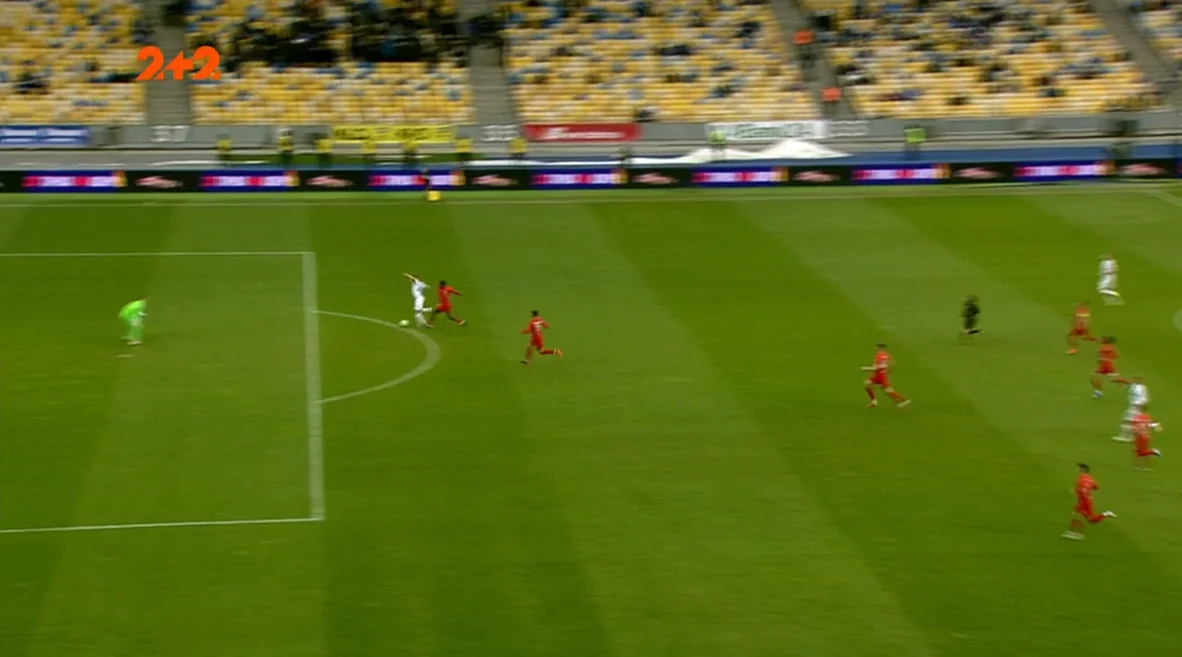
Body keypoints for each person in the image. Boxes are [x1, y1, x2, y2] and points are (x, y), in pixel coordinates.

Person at [1063, 463, 1116, 540]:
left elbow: (1082, 489)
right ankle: (1072, 532)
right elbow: (1096, 487)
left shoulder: (1081, 479)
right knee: (1076, 515)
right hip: (1085, 500)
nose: (1077, 469)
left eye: (1079, 468)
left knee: (1090, 519)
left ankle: (1106, 514)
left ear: (1083, 470)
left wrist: (1077, 491)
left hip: (1085, 501)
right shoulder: (1090, 478)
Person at [862, 343, 910, 408]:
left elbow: (877, 367)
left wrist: (866, 368)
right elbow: (892, 363)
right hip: (880, 374)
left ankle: (905, 400)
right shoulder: (887, 355)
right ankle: (874, 401)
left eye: (876, 347)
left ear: (879, 348)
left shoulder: (878, 356)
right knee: (867, 384)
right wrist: (889, 370)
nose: (875, 348)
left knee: (888, 391)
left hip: (880, 375)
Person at [1113, 376, 1149, 442]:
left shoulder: (1136, 387)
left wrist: (1117, 380)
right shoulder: (1143, 387)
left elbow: (1126, 382)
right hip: (1139, 406)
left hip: (1135, 406)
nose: (1132, 381)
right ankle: (1133, 437)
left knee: (1127, 421)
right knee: (1135, 422)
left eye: (1134, 380)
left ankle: (1124, 437)